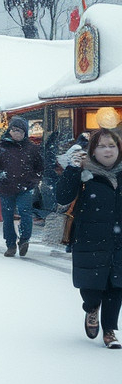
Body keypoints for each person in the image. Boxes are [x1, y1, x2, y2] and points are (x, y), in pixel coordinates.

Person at [56, 130, 122, 348]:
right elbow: (63, 197)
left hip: (119, 238)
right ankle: (92, 308)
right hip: (89, 237)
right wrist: (72, 169)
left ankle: (110, 330)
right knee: (92, 286)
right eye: (102, 146)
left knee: (116, 285)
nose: (108, 150)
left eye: (111, 145)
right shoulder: (84, 172)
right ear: (93, 150)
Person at [0, 116, 44, 257]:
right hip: (6, 188)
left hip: (25, 187)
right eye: (14, 130)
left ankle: (24, 239)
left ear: (25, 133)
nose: (16, 133)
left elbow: (40, 167)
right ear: (9, 131)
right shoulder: (1, 147)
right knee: (7, 216)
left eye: (20, 131)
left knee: (25, 213)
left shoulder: (32, 149)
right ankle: (10, 244)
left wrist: (34, 180)